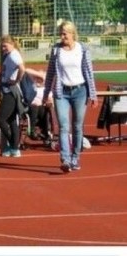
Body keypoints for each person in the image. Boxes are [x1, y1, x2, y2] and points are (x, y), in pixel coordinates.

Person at [43, 21, 98, 173]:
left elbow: (89, 73)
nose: (62, 36)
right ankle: (65, 159)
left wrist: (93, 94)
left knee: (77, 126)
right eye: (61, 33)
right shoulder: (56, 50)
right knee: (63, 125)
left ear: (72, 33)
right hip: (62, 92)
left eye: (65, 33)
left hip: (80, 91)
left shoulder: (83, 49)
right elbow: (50, 73)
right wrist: (46, 93)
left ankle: (75, 158)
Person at [0, 34, 27, 158]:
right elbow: (9, 69)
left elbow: (22, 68)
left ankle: (14, 145)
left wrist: (15, 80)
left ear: (11, 44)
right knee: (12, 120)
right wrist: (1, 73)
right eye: (2, 47)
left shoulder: (14, 55)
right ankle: (14, 148)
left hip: (11, 91)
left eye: (5, 46)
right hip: (7, 89)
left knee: (0, 119)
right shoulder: (9, 55)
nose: (3, 48)